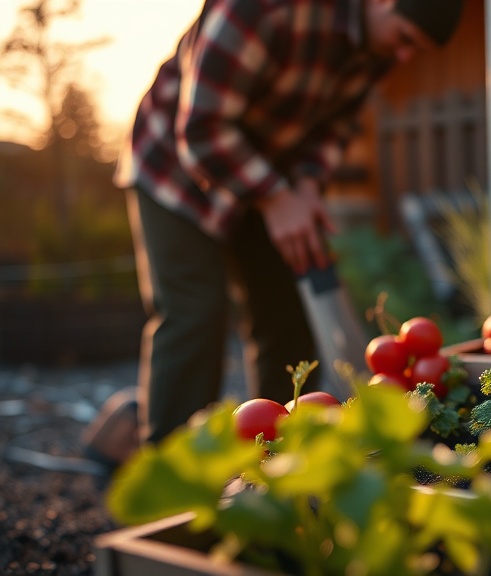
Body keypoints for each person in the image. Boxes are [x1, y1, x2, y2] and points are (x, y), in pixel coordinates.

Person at [81, 0, 465, 469]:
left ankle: (280, 467)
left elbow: (336, 127)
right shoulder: (265, 8)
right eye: (406, 39)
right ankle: (172, 481)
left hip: (267, 176)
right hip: (177, 171)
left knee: (286, 315)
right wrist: (278, 199)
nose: (404, 57)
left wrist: (303, 186)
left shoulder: (377, 47)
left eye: (416, 50)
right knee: (194, 313)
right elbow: (202, 127)